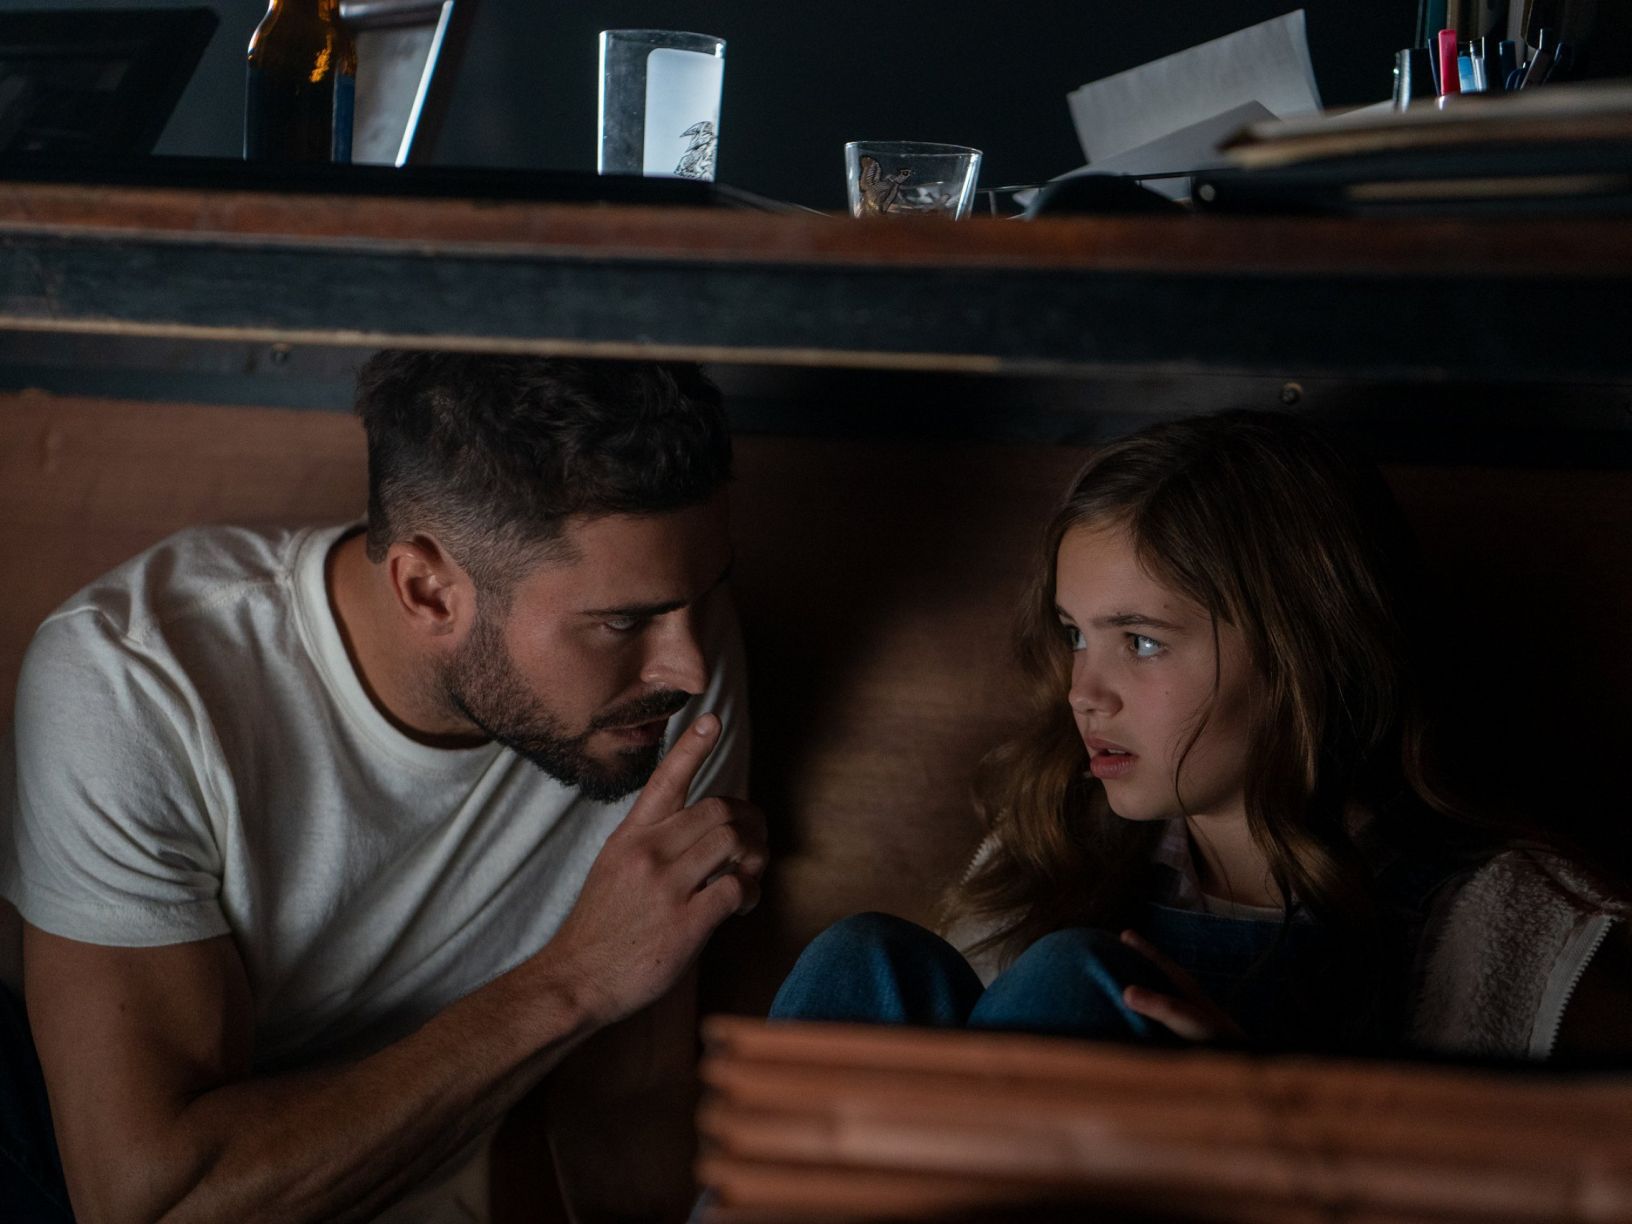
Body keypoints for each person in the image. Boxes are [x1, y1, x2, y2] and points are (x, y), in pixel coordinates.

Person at [0, 351, 765, 1222]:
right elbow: (152, 1206)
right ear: (429, 589)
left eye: (706, 594)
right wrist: (574, 982)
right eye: (622, 622)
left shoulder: (667, 673)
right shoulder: (136, 683)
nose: (687, 666)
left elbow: (631, 1094)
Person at [771, 410, 1631, 1059]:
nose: (1083, 694)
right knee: (860, 959)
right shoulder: (1052, 847)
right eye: (1075, 635)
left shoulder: (1502, 918)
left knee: (1076, 981)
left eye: (1142, 642)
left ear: (1301, 653)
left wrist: (1268, 1136)